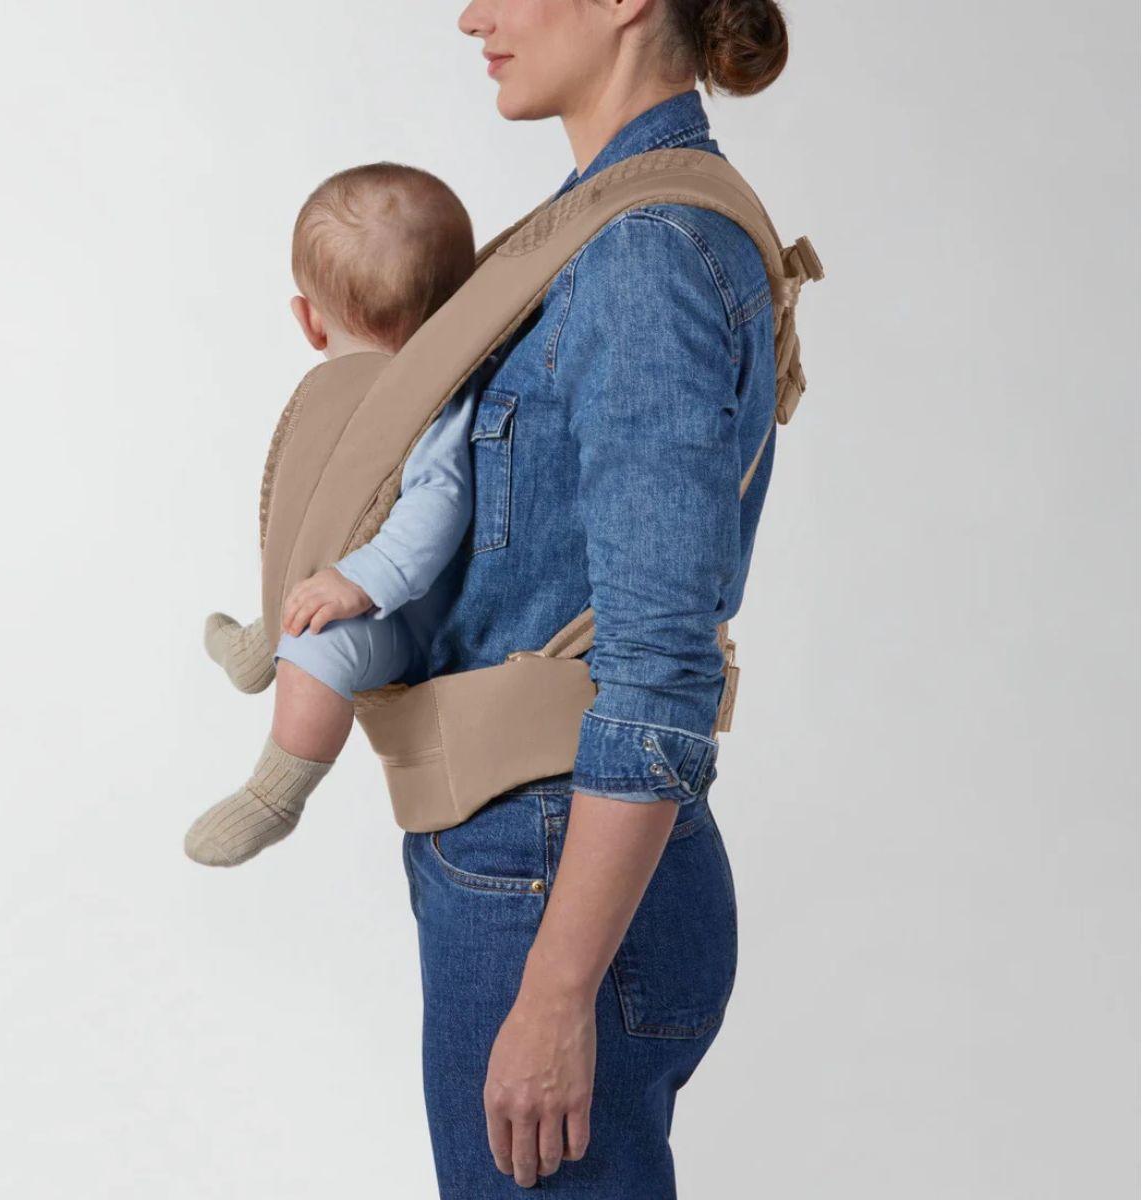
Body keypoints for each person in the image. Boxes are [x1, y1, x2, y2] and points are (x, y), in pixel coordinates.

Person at [400, 0, 790, 1193]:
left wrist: (558, 989)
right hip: (544, 854)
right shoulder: (608, 226)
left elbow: (662, 661)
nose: (471, 16)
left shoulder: (641, 252)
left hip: (555, 873)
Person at [184, 162, 480, 868]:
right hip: (354, 586)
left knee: (321, 638)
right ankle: (260, 645)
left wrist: (363, 581)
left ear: (309, 319)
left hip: (406, 617)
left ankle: (274, 793)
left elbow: (439, 504)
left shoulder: (433, 397)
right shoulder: (332, 394)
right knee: (309, 581)